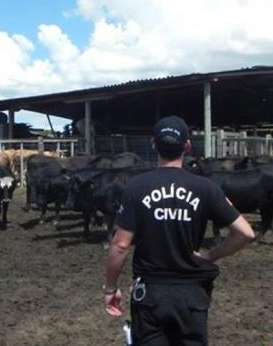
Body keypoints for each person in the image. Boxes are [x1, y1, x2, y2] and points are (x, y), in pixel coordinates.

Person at [103, 115, 255, 345]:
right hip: (192, 296)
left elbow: (121, 245)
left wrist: (111, 287)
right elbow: (245, 233)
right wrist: (211, 255)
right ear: (187, 146)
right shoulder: (206, 188)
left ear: (154, 144)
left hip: (150, 295)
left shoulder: (136, 187)